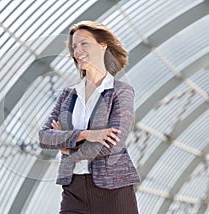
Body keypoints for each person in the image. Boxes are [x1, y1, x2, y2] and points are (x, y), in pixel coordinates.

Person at [39, 20, 140, 214]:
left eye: (84, 43)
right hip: (74, 190)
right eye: (74, 46)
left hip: (113, 191)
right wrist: (86, 134)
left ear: (103, 46)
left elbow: (112, 144)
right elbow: (45, 136)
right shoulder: (67, 95)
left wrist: (68, 149)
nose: (77, 50)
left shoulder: (121, 92)